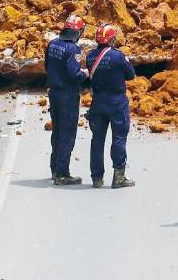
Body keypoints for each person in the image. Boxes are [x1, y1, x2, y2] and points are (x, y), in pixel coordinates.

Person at [84, 23, 136, 189]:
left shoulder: (90, 56)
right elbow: (131, 75)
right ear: (112, 39)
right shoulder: (118, 56)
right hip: (116, 102)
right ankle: (118, 177)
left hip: (97, 102)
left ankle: (97, 178)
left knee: (97, 139)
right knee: (119, 138)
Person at [45, 15, 88, 185]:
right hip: (67, 95)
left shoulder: (52, 44)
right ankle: (62, 173)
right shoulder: (73, 50)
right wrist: (84, 73)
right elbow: (74, 74)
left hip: (54, 93)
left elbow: (47, 66)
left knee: (57, 131)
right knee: (68, 133)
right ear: (77, 32)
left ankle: (54, 167)